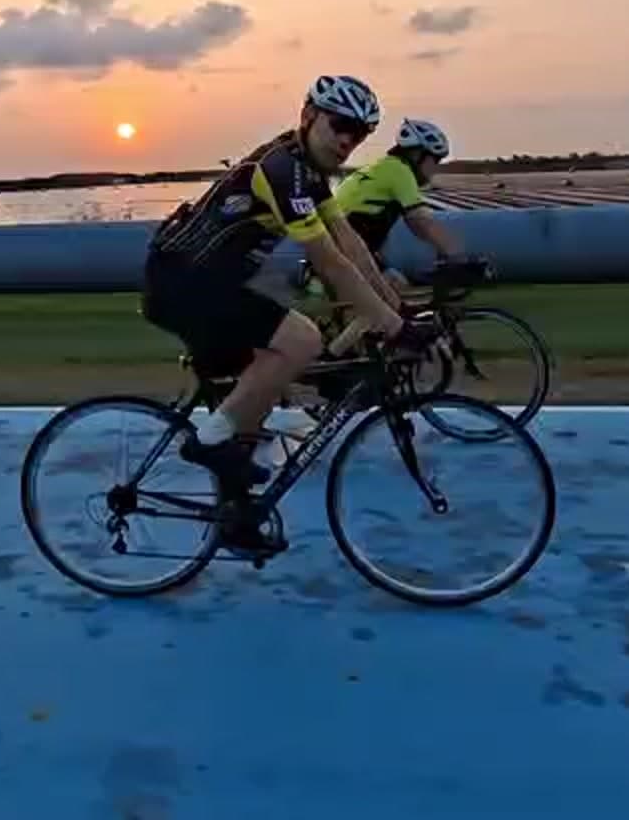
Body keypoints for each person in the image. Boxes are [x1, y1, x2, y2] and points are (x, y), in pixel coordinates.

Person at [142, 75, 427, 547]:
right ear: (308, 116)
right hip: (185, 285)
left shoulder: (309, 173)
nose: (348, 140)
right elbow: (329, 261)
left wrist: (397, 310)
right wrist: (392, 327)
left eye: (360, 133)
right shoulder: (280, 170)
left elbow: (350, 244)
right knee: (303, 339)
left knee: (257, 396)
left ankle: (237, 520)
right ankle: (206, 442)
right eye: (340, 125)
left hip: (210, 285)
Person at [332, 116, 465, 288]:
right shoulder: (400, 171)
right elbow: (421, 221)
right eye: (435, 160)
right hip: (346, 250)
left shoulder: (383, 166)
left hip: (341, 246)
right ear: (418, 155)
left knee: (396, 282)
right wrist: (457, 255)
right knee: (397, 291)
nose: (436, 168)